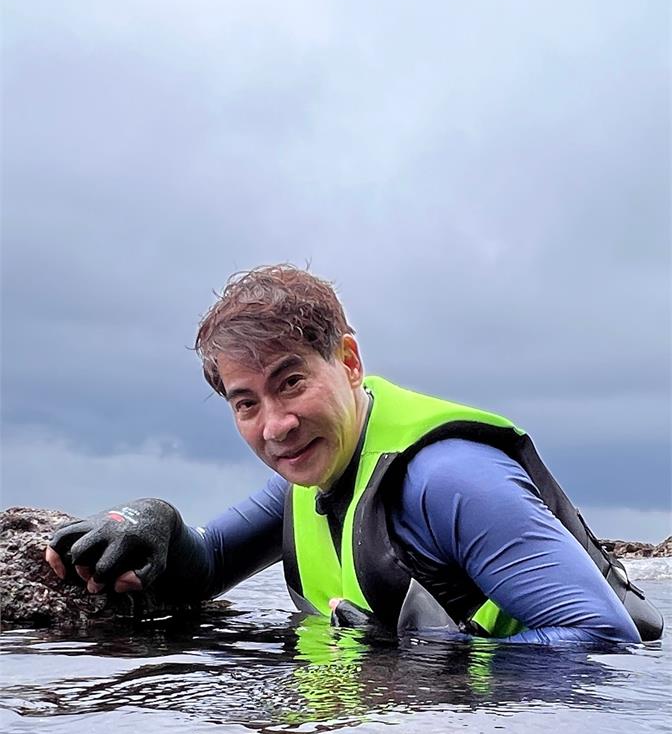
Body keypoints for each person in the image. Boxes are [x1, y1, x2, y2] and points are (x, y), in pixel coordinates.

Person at [46, 265, 663, 645]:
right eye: (246, 403)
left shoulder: (449, 479)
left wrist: (434, 659)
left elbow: (600, 636)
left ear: (347, 362)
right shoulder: (311, 478)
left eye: (290, 382)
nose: (277, 426)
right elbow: (205, 564)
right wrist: (149, 523)